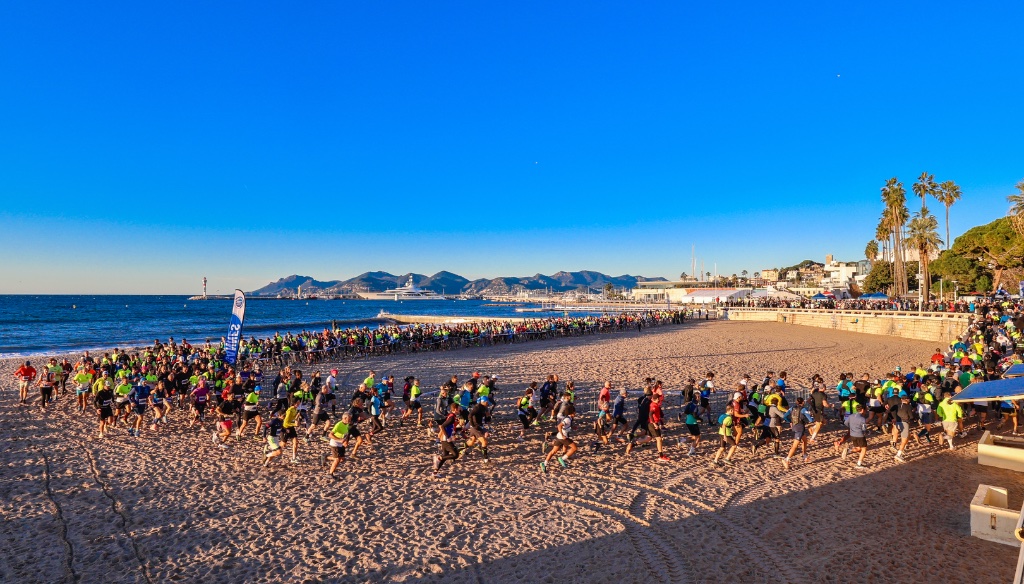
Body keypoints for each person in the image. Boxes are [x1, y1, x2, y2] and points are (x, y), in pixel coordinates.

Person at [541, 405, 577, 472]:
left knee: (553, 451)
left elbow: (565, 426)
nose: (575, 413)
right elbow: (559, 426)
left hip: (559, 437)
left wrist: (572, 427)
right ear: (573, 412)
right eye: (575, 412)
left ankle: (544, 463)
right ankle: (562, 459)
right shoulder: (568, 419)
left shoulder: (569, 418)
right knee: (574, 448)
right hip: (563, 437)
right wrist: (563, 435)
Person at [783, 397, 813, 470]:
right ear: (802, 402)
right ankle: (787, 459)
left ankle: (805, 456)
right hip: (800, 428)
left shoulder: (792, 408)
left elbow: (784, 416)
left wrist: (790, 421)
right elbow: (810, 420)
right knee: (795, 446)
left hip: (794, 426)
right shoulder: (803, 409)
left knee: (805, 440)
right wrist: (813, 418)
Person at [433, 402, 461, 477]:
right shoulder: (452, 417)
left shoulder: (452, 416)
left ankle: (435, 472)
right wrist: (448, 437)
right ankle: (438, 458)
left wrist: (458, 429)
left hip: (444, 439)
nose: (460, 410)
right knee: (455, 455)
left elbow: (450, 427)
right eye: (459, 409)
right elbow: (442, 426)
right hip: (446, 439)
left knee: (445, 456)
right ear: (455, 409)